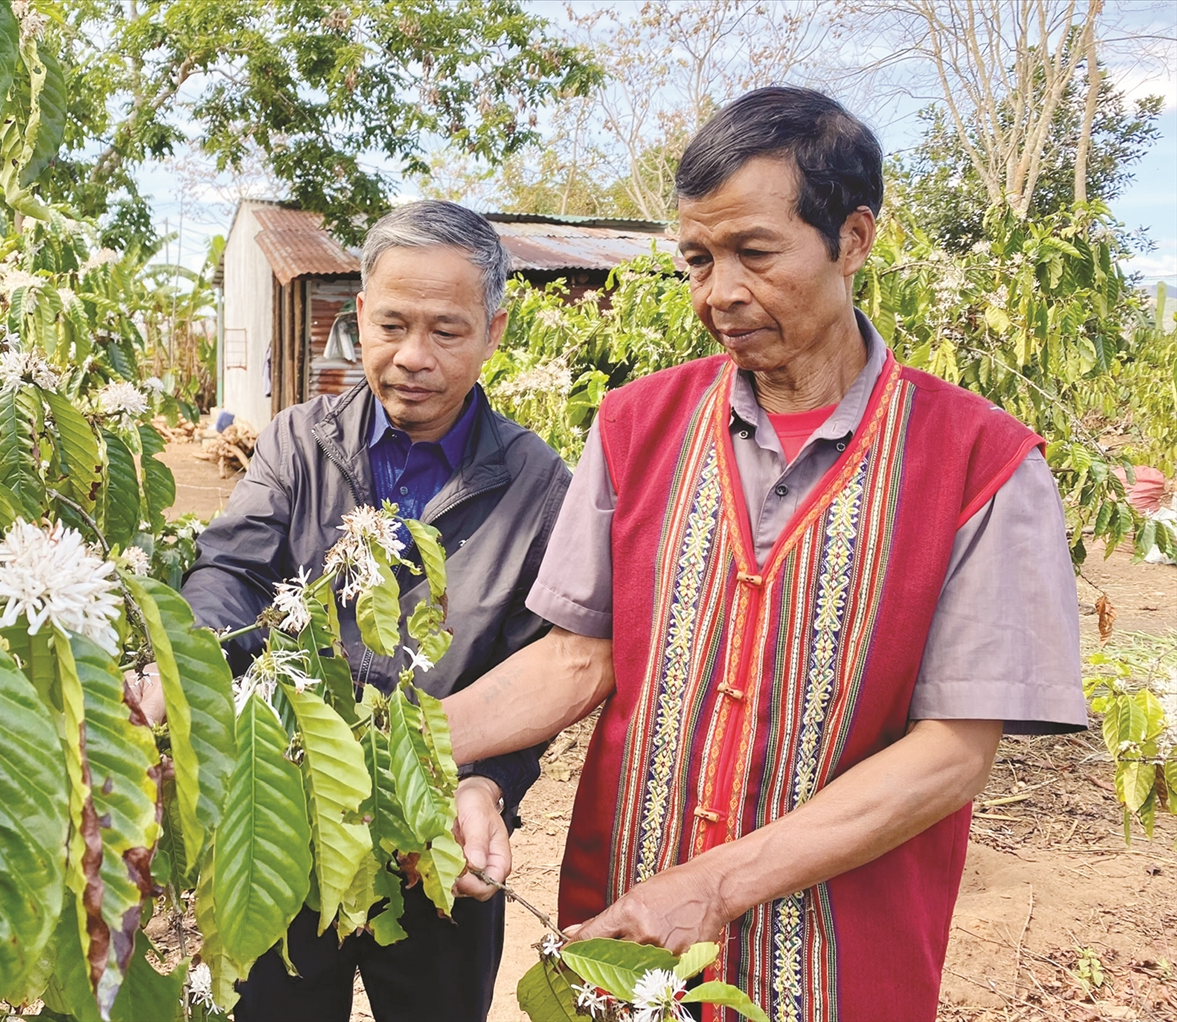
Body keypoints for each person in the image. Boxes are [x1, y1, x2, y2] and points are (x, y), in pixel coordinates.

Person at [441, 87, 1085, 1020]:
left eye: (754, 252)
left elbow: (953, 754)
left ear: (853, 239)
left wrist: (712, 884)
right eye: (698, 260)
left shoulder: (983, 464)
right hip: (624, 933)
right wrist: (378, 746)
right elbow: (579, 656)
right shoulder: (635, 424)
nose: (719, 293)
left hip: (839, 960)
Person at [179, 200, 571, 1021]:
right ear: (359, 314)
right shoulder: (296, 442)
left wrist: (487, 787)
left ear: (494, 331)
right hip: (291, 820)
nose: (411, 358)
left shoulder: (539, 485)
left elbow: (534, 672)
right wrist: (190, 667)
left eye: (448, 331)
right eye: (390, 326)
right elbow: (230, 572)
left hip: (438, 845)